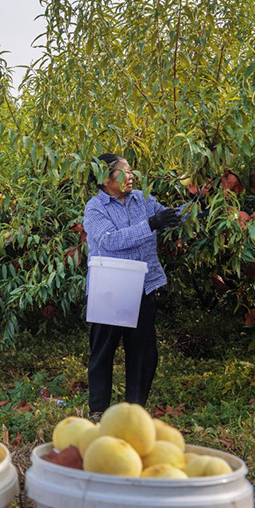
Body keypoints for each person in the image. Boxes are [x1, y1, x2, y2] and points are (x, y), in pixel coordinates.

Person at [83, 154, 182, 421]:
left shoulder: (143, 199)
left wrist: (202, 206)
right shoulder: (95, 208)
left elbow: (168, 216)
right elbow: (109, 241)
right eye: (124, 172)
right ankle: (98, 411)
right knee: (103, 351)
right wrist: (151, 225)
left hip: (144, 286)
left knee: (143, 353)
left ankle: (134, 411)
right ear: (106, 178)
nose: (130, 176)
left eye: (131, 171)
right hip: (110, 288)